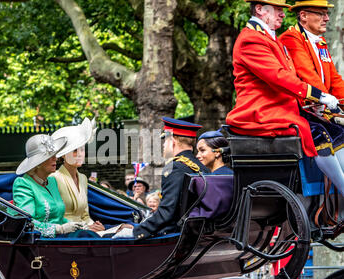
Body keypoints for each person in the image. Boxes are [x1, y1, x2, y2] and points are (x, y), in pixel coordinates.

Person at [225, 0, 343, 193]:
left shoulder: (270, 38)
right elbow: (279, 77)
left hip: (283, 109)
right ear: (260, 9)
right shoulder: (251, 39)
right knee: (319, 134)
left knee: (336, 131)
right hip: (262, 113)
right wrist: (318, 96)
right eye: (278, 9)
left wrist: (312, 104)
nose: (282, 13)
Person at [279, 0, 344, 193]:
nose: (326, 18)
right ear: (303, 16)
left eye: (327, 14)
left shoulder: (320, 42)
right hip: (301, 109)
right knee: (327, 135)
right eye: (321, 13)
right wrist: (327, 103)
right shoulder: (291, 38)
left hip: (321, 107)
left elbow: (334, 79)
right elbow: (308, 75)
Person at [113, 117, 209, 239]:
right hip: (195, 232)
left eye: (165, 141)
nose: (163, 145)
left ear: (172, 141)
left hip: (174, 235)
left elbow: (167, 212)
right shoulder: (202, 167)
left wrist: (137, 232)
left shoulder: (175, 167)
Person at [13, 134, 98, 238]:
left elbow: (59, 218)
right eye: (50, 156)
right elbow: (26, 223)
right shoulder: (23, 184)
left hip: (61, 237)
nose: (55, 158)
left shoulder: (52, 182)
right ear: (38, 163)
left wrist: (79, 225)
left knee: (89, 235)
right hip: (41, 241)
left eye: (55, 155)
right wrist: (59, 229)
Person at [51, 118, 105, 233]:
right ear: (63, 155)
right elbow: (54, 216)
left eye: (82, 150)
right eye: (75, 151)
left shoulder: (83, 178)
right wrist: (86, 228)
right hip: (66, 232)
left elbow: (85, 216)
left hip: (85, 231)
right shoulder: (53, 178)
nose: (80, 154)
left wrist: (95, 226)